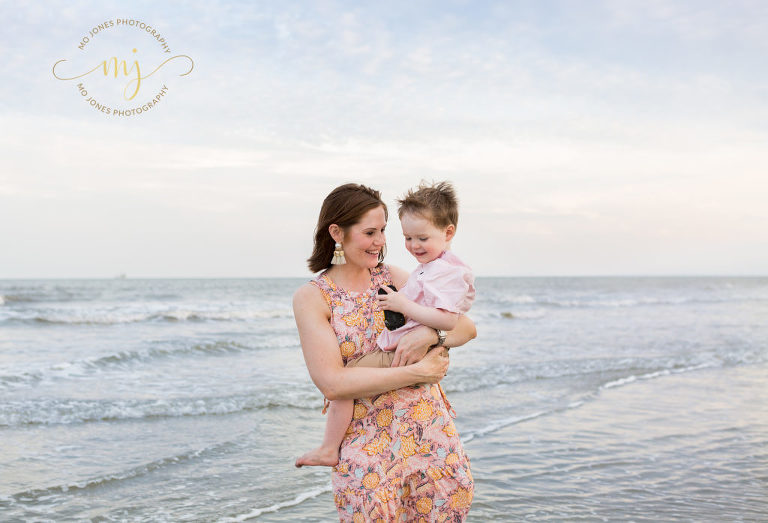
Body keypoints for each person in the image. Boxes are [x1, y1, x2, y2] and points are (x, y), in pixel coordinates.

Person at [293, 183, 476, 521]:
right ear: (337, 233)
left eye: (383, 231)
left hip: (430, 436)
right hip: (367, 448)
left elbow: (466, 328)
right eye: (369, 232)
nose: (380, 241)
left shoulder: (391, 278)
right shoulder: (314, 297)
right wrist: (416, 372)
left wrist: (429, 334)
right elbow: (332, 384)